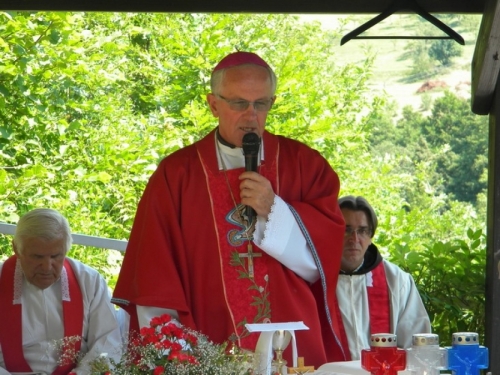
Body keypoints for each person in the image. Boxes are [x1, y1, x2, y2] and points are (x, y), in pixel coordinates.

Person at [112, 51, 349, 367]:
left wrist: (274, 209)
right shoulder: (177, 176)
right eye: (239, 103)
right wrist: (170, 357)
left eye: (261, 104)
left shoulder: (306, 165)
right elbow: (155, 276)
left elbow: (321, 266)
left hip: (292, 346)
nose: (251, 115)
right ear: (213, 105)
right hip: (208, 344)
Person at [0, 208, 122, 375]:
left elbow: (108, 342)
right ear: (16, 249)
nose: (47, 267)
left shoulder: (89, 281)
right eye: (37, 257)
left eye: (56, 256)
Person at [336, 196, 431, 360]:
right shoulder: (314, 279)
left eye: (363, 231)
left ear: (371, 235)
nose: (355, 239)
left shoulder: (396, 281)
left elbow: (416, 344)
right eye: (347, 229)